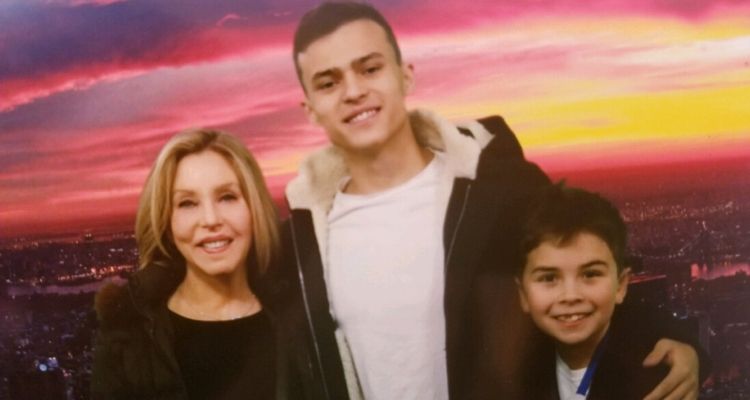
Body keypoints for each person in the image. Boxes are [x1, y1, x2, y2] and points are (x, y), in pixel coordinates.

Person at [282, 2, 702, 399]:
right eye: (328, 81)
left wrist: (682, 341)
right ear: (309, 109)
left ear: (404, 75)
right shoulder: (303, 240)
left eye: (369, 68)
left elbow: (584, 271)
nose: (353, 91)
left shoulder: (496, 187)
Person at [91, 129, 281, 399]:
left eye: (227, 197)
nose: (211, 219)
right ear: (167, 224)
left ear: (254, 208)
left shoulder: (298, 315)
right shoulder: (129, 341)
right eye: (188, 203)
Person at [514, 184, 707, 399]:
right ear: (523, 294)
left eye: (590, 274)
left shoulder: (653, 383)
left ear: (621, 285)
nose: (570, 295)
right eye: (549, 278)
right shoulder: (517, 371)